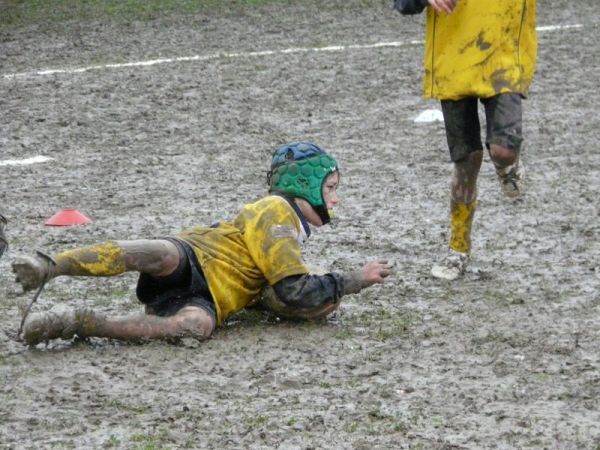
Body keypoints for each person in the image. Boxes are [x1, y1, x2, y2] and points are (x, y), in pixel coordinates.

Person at [11, 141, 392, 346]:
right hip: (196, 256)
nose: (336, 199)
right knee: (159, 252)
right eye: (331, 188)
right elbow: (293, 290)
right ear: (306, 185)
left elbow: (284, 290)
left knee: (193, 327)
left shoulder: (290, 231)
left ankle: (83, 323)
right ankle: (51, 265)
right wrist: (353, 280)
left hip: (212, 297)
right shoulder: (276, 211)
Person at [394, 0, 537, 280]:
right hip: (453, 63)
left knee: (503, 150)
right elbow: (402, 4)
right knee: (467, 161)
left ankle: (507, 164)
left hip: (505, 57)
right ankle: (457, 249)